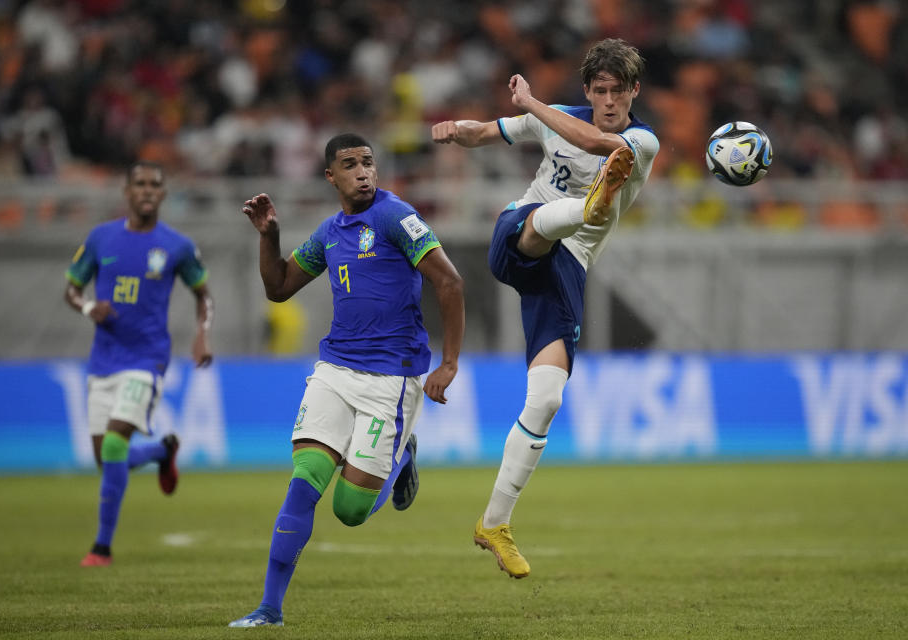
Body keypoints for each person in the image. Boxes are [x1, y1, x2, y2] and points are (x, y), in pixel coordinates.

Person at [432, 38, 659, 578]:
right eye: (599, 90)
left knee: (548, 399)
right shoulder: (554, 117)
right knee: (540, 223)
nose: (608, 100)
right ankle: (584, 207)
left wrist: (534, 104)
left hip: (566, 271)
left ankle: (494, 523)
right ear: (588, 89)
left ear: (633, 91)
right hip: (520, 233)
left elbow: (595, 141)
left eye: (617, 91)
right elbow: (489, 132)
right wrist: (462, 132)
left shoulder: (641, 140)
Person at [228, 133, 465, 627]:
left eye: (368, 163)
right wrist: (269, 237)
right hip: (334, 371)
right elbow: (278, 288)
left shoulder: (395, 216)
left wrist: (448, 363)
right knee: (303, 481)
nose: (362, 172)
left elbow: (450, 281)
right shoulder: (329, 231)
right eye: (349, 164)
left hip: (392, 380)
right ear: (330, 176)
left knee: (351, 510)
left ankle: (401, 459)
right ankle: (269, 609)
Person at [64, 161, 214, 567]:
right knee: (106, 458)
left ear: (163, 194)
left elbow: (204, 294)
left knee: (114, 443)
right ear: (126, 191)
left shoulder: (177, 246)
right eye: (140, 184)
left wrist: (201, 334)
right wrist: (90, 306)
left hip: (147, 359)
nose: (147, 190)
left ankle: (101, 547)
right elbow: (72, 290)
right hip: (103, 360)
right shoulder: (100, 239)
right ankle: (161, 453)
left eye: (155, 184)